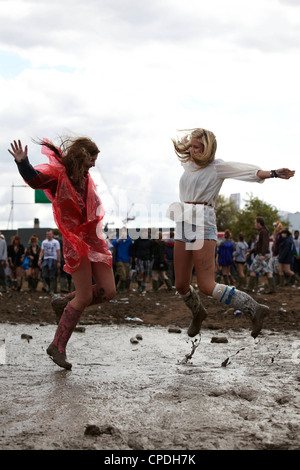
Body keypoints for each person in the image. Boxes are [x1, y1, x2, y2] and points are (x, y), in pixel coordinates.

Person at [167, 128, 295, 338]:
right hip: (183, 222)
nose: (192, 150)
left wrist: (272, 173)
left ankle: (254, 308)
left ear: (208, 148)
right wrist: (186, 141)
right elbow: (185, 147)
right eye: (191, 146)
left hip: (203, 222)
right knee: (180, 284)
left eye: (197, 147)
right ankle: (198, 312)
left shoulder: (217, 167)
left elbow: (245, 172)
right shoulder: (188, 164)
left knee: (207, 285)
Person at [9, 137, 115, 369]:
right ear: (82, 156)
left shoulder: (86, 179)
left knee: (109, 291)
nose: (94, 165)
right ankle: (57, 346)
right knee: (85, 296)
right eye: (92, 160)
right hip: (75, 241)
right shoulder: (59, 176)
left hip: (94, 240)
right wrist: (22, 163)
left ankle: (64, 303)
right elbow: (36, 180)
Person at [247, 217, 276, 294]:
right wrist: (251, 251)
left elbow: (265, 244)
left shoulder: (263, 232)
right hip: (264, 254)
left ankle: (250, 288)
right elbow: (259, 245)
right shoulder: (262, 231)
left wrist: (262, 254)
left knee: (253, 269)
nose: (254, 224)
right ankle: (272, 289)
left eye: (255, 223)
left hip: (262, 255)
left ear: (259, 223)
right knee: (268, 271)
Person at [133, 228, 154, 293]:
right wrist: (135, 257)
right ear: (141, 233)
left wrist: (151, 258)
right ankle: (139, 284)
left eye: (146, 232)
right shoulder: (137, 240)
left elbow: (152, 250)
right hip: (140, 258)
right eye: (143, 232)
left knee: (146, 274)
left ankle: (143, 288)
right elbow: (134, 249)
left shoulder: (150, 241)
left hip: (147, 259)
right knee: (141, 272)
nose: (145, 233)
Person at [112, 227, 133, 292]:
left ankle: (124, 288)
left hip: (127, 260)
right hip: (119, 259)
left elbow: (132, 249)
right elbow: (113, 242)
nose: (123, 233)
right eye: (122, 231)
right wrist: (120, 238)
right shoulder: (118, 238)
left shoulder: (129, 240)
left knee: (127, 275)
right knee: (122, 275)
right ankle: (121, 289)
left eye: (124, 231)